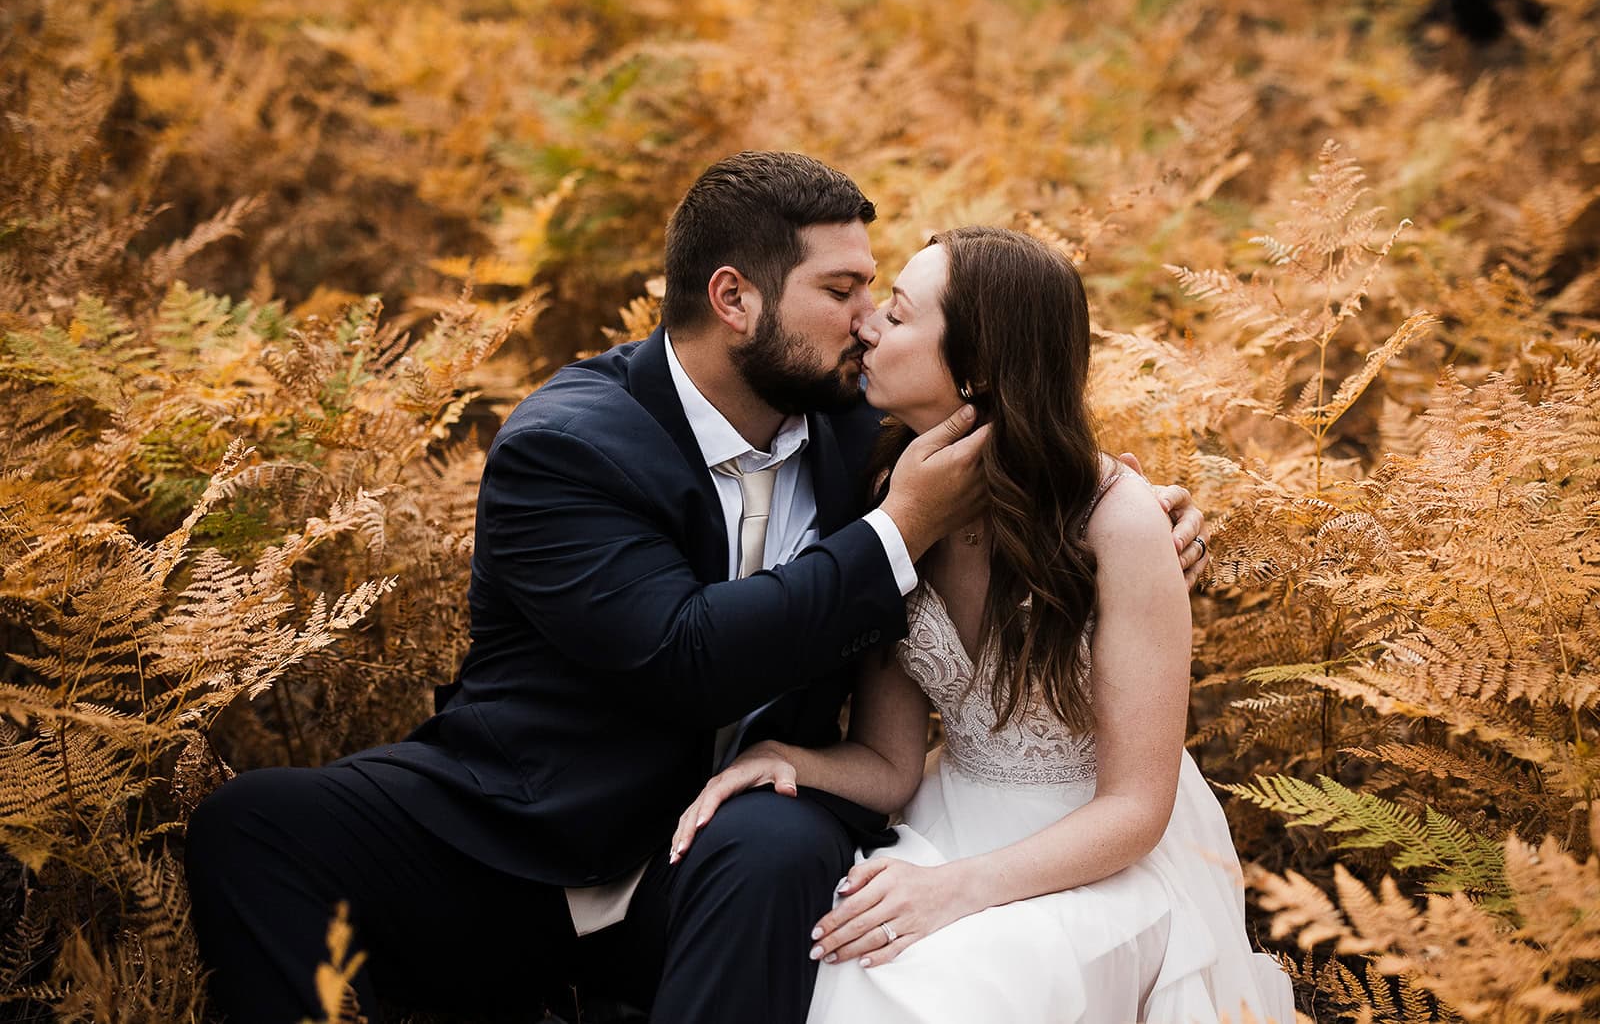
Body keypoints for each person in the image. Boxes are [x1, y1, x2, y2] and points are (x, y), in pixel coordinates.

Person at [183, 155, 1208, 1024]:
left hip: (736, 848)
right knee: (258, 823)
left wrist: (1136, 525)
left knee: (774, 847)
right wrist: (899, 530)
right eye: (844, 292)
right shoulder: (570, 444)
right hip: (536, 821)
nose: (864, 325)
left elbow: (1020, 437)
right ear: (735, 299)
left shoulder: (867, 430)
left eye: (880, 300)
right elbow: (687, 659)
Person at [672, 227, 1294, 1023]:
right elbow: (893, 763)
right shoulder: (896, 500)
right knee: (846, 960)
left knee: (958, 989)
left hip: (1104, 856)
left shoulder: (1117, 523)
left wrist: (954, 891)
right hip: (946, 823)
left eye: (896, 316)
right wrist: (778, 755)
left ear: (980, 367)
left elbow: (1137, 808)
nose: (867, 326)